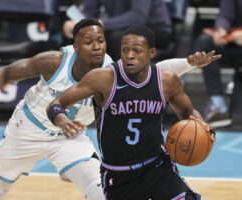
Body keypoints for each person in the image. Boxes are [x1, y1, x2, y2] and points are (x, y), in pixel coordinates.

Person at [0, 18, 218, 200]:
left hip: (70, 139)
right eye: (88, 42)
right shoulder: (53, 62)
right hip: (28, 130)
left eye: (100, 40)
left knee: (98, 191)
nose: (97, 46)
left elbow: (155, 69)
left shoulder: (110, 70)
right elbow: (6, 72)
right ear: (76, 47)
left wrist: (188, 63)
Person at [47, 25, 217, 199]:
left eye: (137, 50)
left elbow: (188, 112)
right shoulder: (103, 79)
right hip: (119, 175)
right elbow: (56, 104)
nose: (130, 55)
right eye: (125, 50)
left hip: (157, 167)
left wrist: (204, 129)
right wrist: (62, 120)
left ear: (151, 53)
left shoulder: (166, 81)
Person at [193, 0, 242, 128]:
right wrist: (221, 30)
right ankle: (218, 105)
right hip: (238, 40)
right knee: (206, 43)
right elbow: (225, 15)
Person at [63, 0, 173, 61]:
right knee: (77, 36)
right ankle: (77, 86)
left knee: (119, 38)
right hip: (120, 27)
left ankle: (126, 90)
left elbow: (138, 16)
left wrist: (103, 24)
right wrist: (76, 24)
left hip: (155, 28)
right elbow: (89, 13)